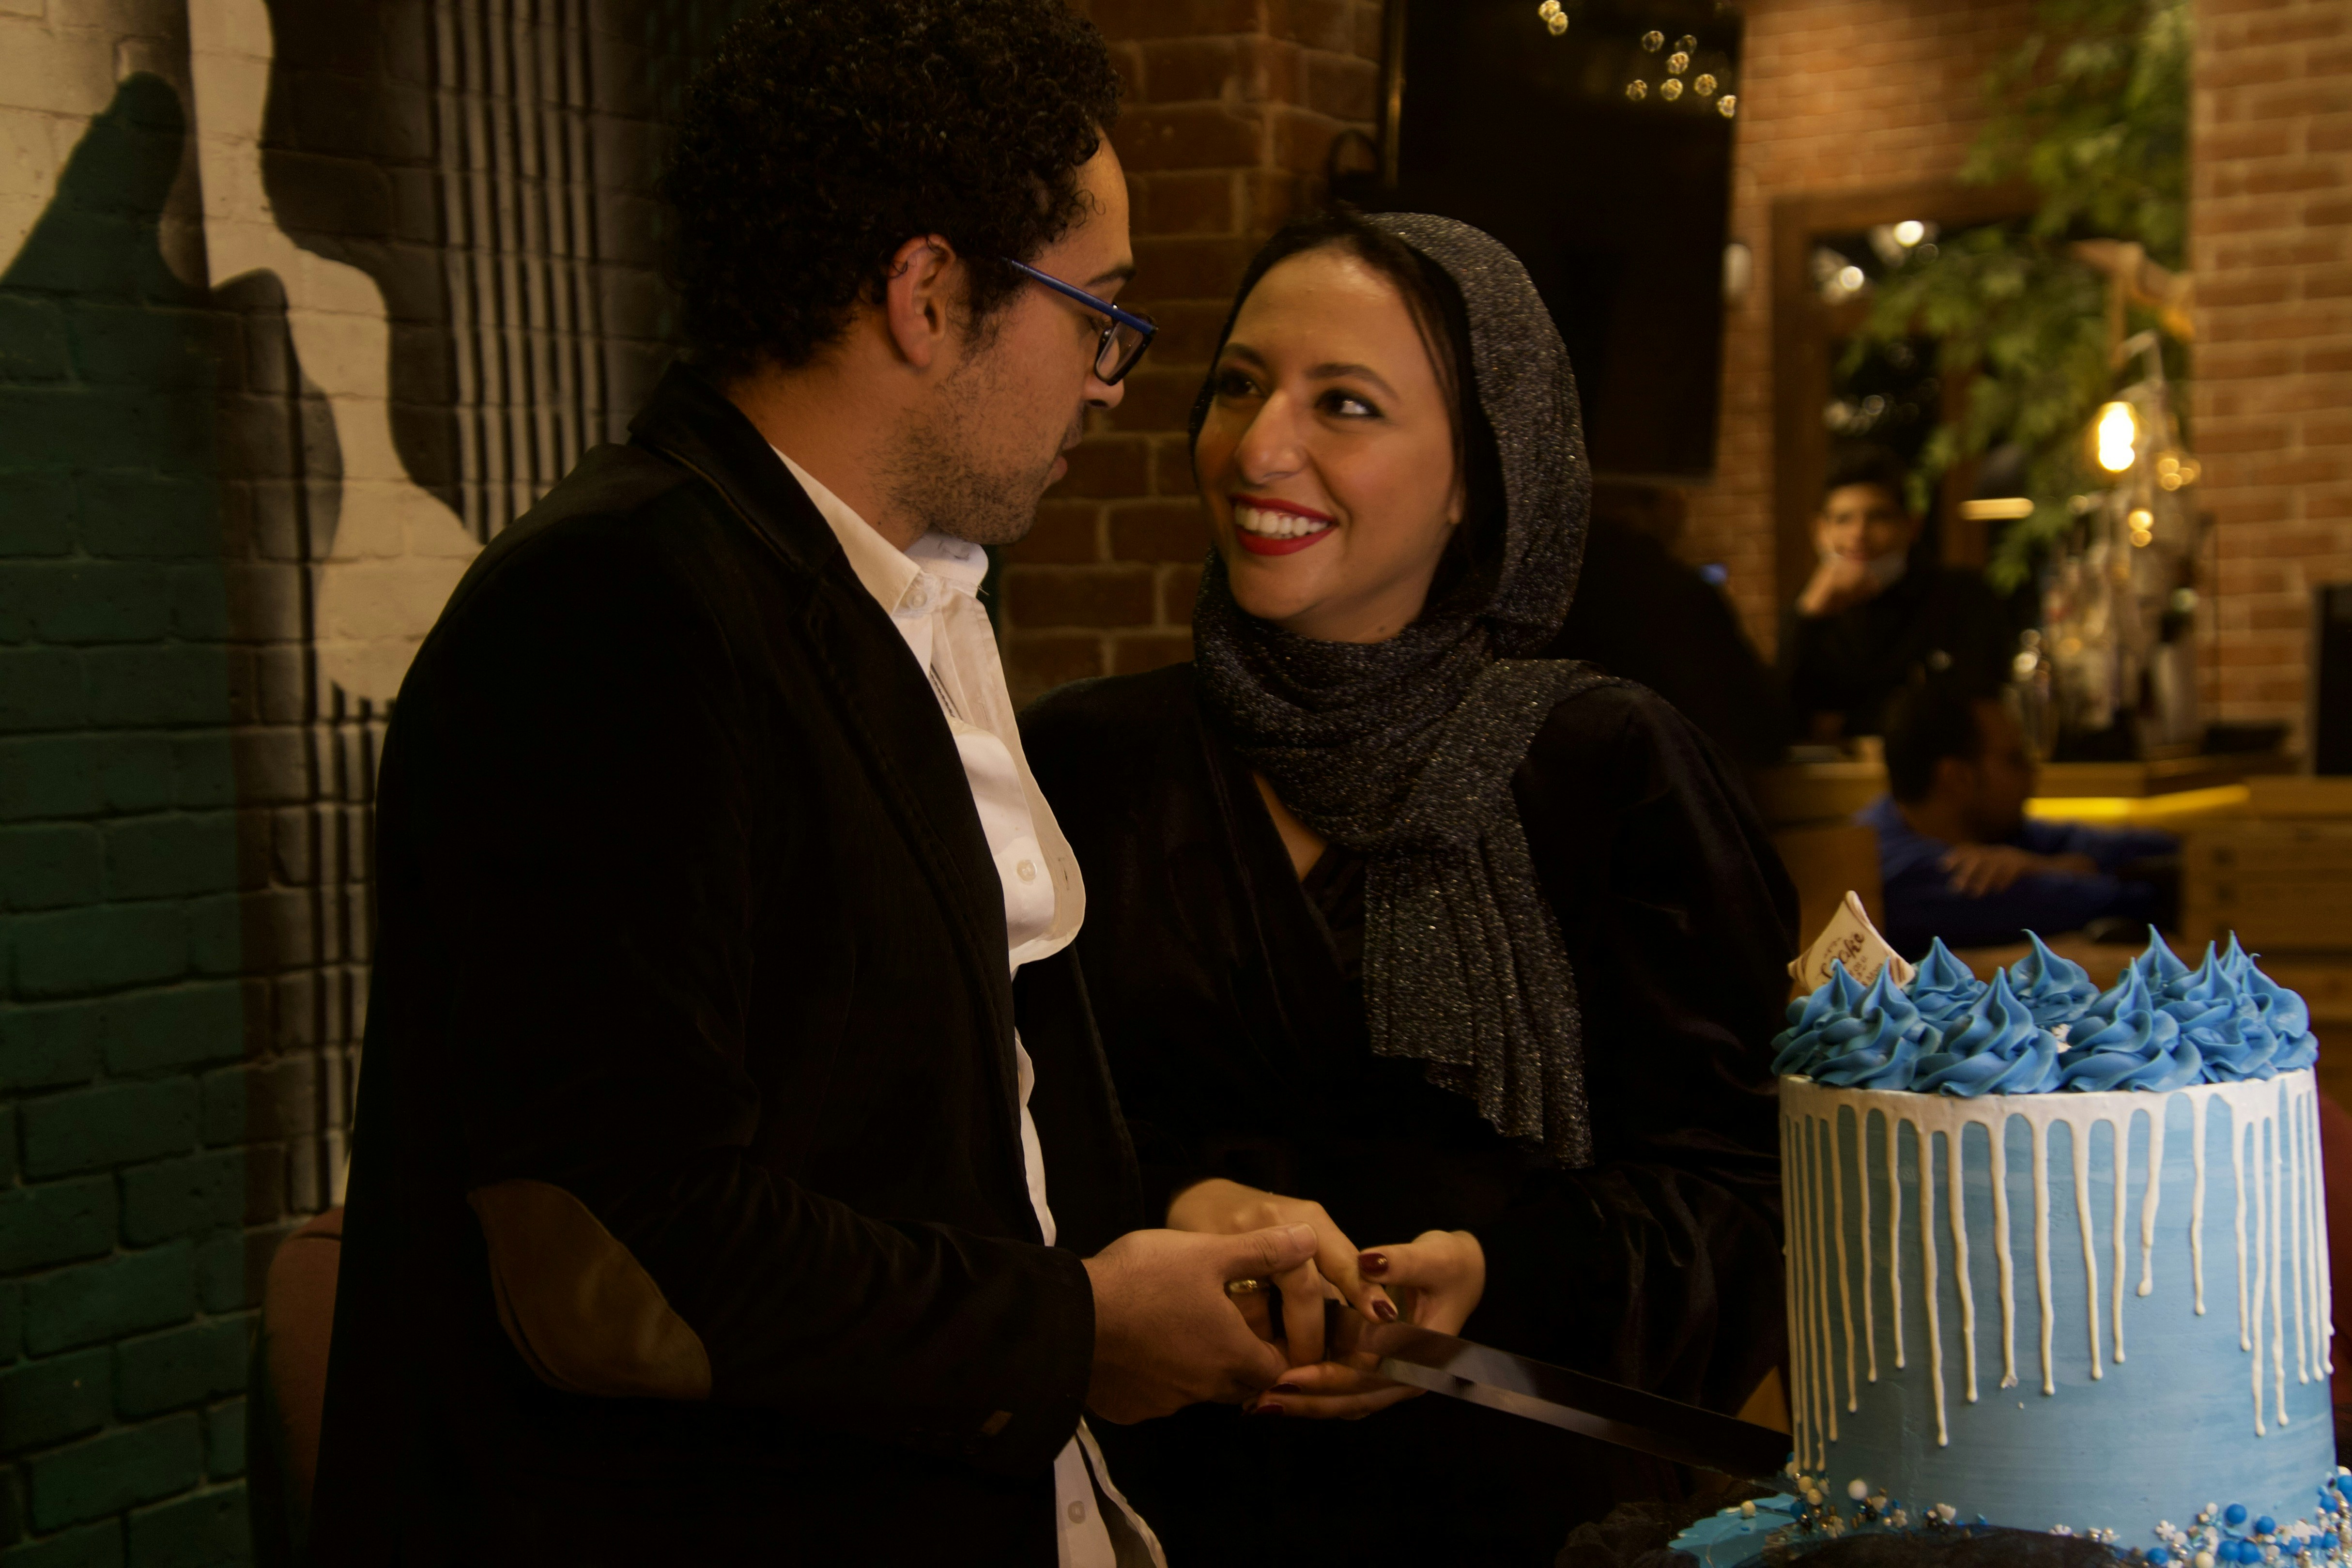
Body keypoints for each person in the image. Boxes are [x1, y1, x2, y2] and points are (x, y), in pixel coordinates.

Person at [309, 5, 1320, 1562]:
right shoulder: (617, 605)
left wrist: (1160, 1230)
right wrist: (1070, 1325)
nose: (1110, 381)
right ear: (927, 296)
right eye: (1093, 313)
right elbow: (620, 1251)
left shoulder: (906, 591)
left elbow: (922, 1115)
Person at [1021, 210, 1797, 1565]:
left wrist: (1497, 1278)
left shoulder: (1606, 769)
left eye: (1348, 405)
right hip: (1160, 1515)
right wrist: (1173, 1212)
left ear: (1476, 480)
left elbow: (1756, 1205)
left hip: (1539, 1522)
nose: (1263, 448)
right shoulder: (1086, 762)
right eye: (1242, 385)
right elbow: (987, 1143)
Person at [1863, 677, 2179, 957]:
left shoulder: (1993, 836)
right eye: (2014, 761)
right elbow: (2118, 901)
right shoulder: (1892, 871)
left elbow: (2162, 850)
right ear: (1956, 778)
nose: (2033, 774)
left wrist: (2048, 865)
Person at [1543, 481, 1787, 783]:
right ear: (1664, 504)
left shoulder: (1547, 593)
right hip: (1680, 799)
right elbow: (1758, 726)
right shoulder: (1679, 593)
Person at [1779, 446, 2014, 742]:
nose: (1858, 534)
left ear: (1911, 526)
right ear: (1819, 531)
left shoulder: (1961, 596)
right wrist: (1808, 614)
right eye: (1843, 520)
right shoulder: (1812, 609)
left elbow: (1972, 710)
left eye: (1878, 518)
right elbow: (1777, 722)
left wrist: (1844, 723)